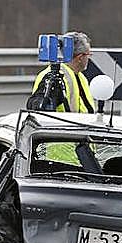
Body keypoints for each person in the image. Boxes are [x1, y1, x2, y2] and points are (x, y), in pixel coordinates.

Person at [31, 31, 96, 164]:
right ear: (80, 57)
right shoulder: (54, 77)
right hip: (60, 158)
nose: (88, 58)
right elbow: (38, 107)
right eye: (88, 55)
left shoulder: (80, 78)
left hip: (82, 155)